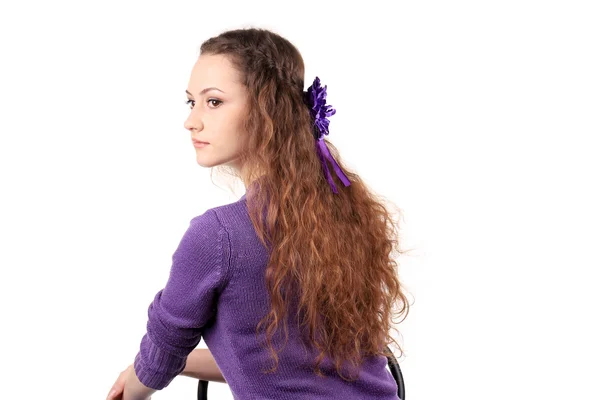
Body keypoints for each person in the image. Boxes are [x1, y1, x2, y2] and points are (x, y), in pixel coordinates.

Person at [106, 27, 411, 400]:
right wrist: (179, 361)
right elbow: (284, 361)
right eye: (192, 103)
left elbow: (160, 354)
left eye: (213, 102)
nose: (192, 121)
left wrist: (138, 383)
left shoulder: (218, 235)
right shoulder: (342, 213)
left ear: (266, 111)